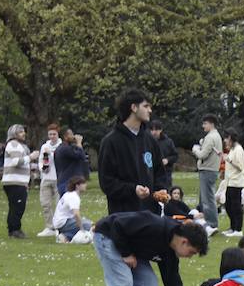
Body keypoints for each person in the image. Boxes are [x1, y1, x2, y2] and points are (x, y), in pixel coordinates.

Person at [98, 87, 161, 216]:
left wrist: (162, 190)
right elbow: (107, 182)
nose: (150, 110)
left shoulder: (150, 140)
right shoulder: (111, 142)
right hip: (123, 215)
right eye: (146, 106)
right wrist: (133, 190)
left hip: (151, 215)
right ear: (134, 107)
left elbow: (160, 172)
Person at [1, 124, 34, 239]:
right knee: (18, 207)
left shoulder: (21, 146)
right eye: (20, 132)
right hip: (14, 182)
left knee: (15, 206)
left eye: (23, 131)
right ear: (14, 134)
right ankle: (15, 230)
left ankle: (13, 229)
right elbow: (16, 161)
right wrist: (31, 157)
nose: (23, 134)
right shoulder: (13, 144)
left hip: (19, 181)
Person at [195, 115, 222, 231]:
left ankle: (212, 224)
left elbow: (202, 155)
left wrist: (195, 149)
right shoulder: (215, 136)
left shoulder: (211, 137)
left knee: (208, 199)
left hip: (207, 170)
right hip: (211, 170)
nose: (203, 126)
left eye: (205, 123)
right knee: (206, 198)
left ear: (211, 124)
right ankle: (208, 221)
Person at [37, 124, 61, 236]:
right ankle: (49, 227)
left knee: (59, 204)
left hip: (58, 178)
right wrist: (44, 163)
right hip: (46, 178)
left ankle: (59, 227)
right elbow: (41, 162)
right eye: (50, 134)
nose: (52, 136)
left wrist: (53, 153)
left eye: (54, 134)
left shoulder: (61, 145)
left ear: (58, 134)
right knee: (45, 204)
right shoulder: (44, 147)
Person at [51, 176, 92, 243]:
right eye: (83, 183)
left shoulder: (68, 194)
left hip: (58, 221)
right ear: (77, 186)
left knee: (84, 221)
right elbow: (76, 214)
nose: (85, 185)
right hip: (63, 222)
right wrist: (82, 229)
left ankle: (64, 235)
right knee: (87, 224)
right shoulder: (74, 197)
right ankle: (65, 236)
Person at [222, 133, 244, 237]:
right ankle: (232, 227)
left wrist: (228, 159)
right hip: (230, 181)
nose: (225, 140)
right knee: (228, 205)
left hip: (236, 182)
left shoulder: (238, 149)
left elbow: (240, 166)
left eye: (226, 138)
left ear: (231, 138)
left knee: (236, 206)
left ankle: (238, 229)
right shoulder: (232, 149)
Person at [53, 129, 90, 195]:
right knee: (71, 204)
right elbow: (81, 156)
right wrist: (79, 143)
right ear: (65, 137)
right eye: (71, 134)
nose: (73, 136)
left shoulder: (66, 148)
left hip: (65, 182)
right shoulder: (65, 149)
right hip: (67, 183)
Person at [150, 119, 177, 193]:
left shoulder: (168, 142)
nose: (154, 132)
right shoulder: (147, 142)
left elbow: (175, 156)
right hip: (151, 173)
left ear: (161, 130)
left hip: (166, 174)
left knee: (165, 195)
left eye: (156, 129)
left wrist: (167, 160)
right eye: (152, 130)